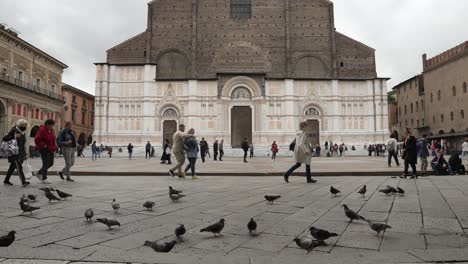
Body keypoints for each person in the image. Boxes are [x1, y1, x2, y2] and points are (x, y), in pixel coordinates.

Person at [3, 119, 30, 187]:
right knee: (19, 167)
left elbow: (22, 144)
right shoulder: (14, 130)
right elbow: (5, 138)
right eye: (23, 125)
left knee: (12, 167)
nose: (24, 127)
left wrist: (25, 153)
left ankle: (6, 180)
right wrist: (14, 137)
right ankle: (23, 182)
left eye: (25, 126)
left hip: (19, 153)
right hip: (13, 152)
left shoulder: (23, 132)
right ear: (19, 125)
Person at [34, 119, 58, 184]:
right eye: (51, 125)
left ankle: (38, 173)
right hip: (44, 149)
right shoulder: (42, 130)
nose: (52, 127)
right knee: (45, 163)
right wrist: (43, 145)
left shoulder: (51, 130)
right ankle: (44, 178)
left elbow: (53, 139)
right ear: (47, 124)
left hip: (51, 149)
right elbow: (37, 139)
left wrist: (55, 146)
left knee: (51, 163)